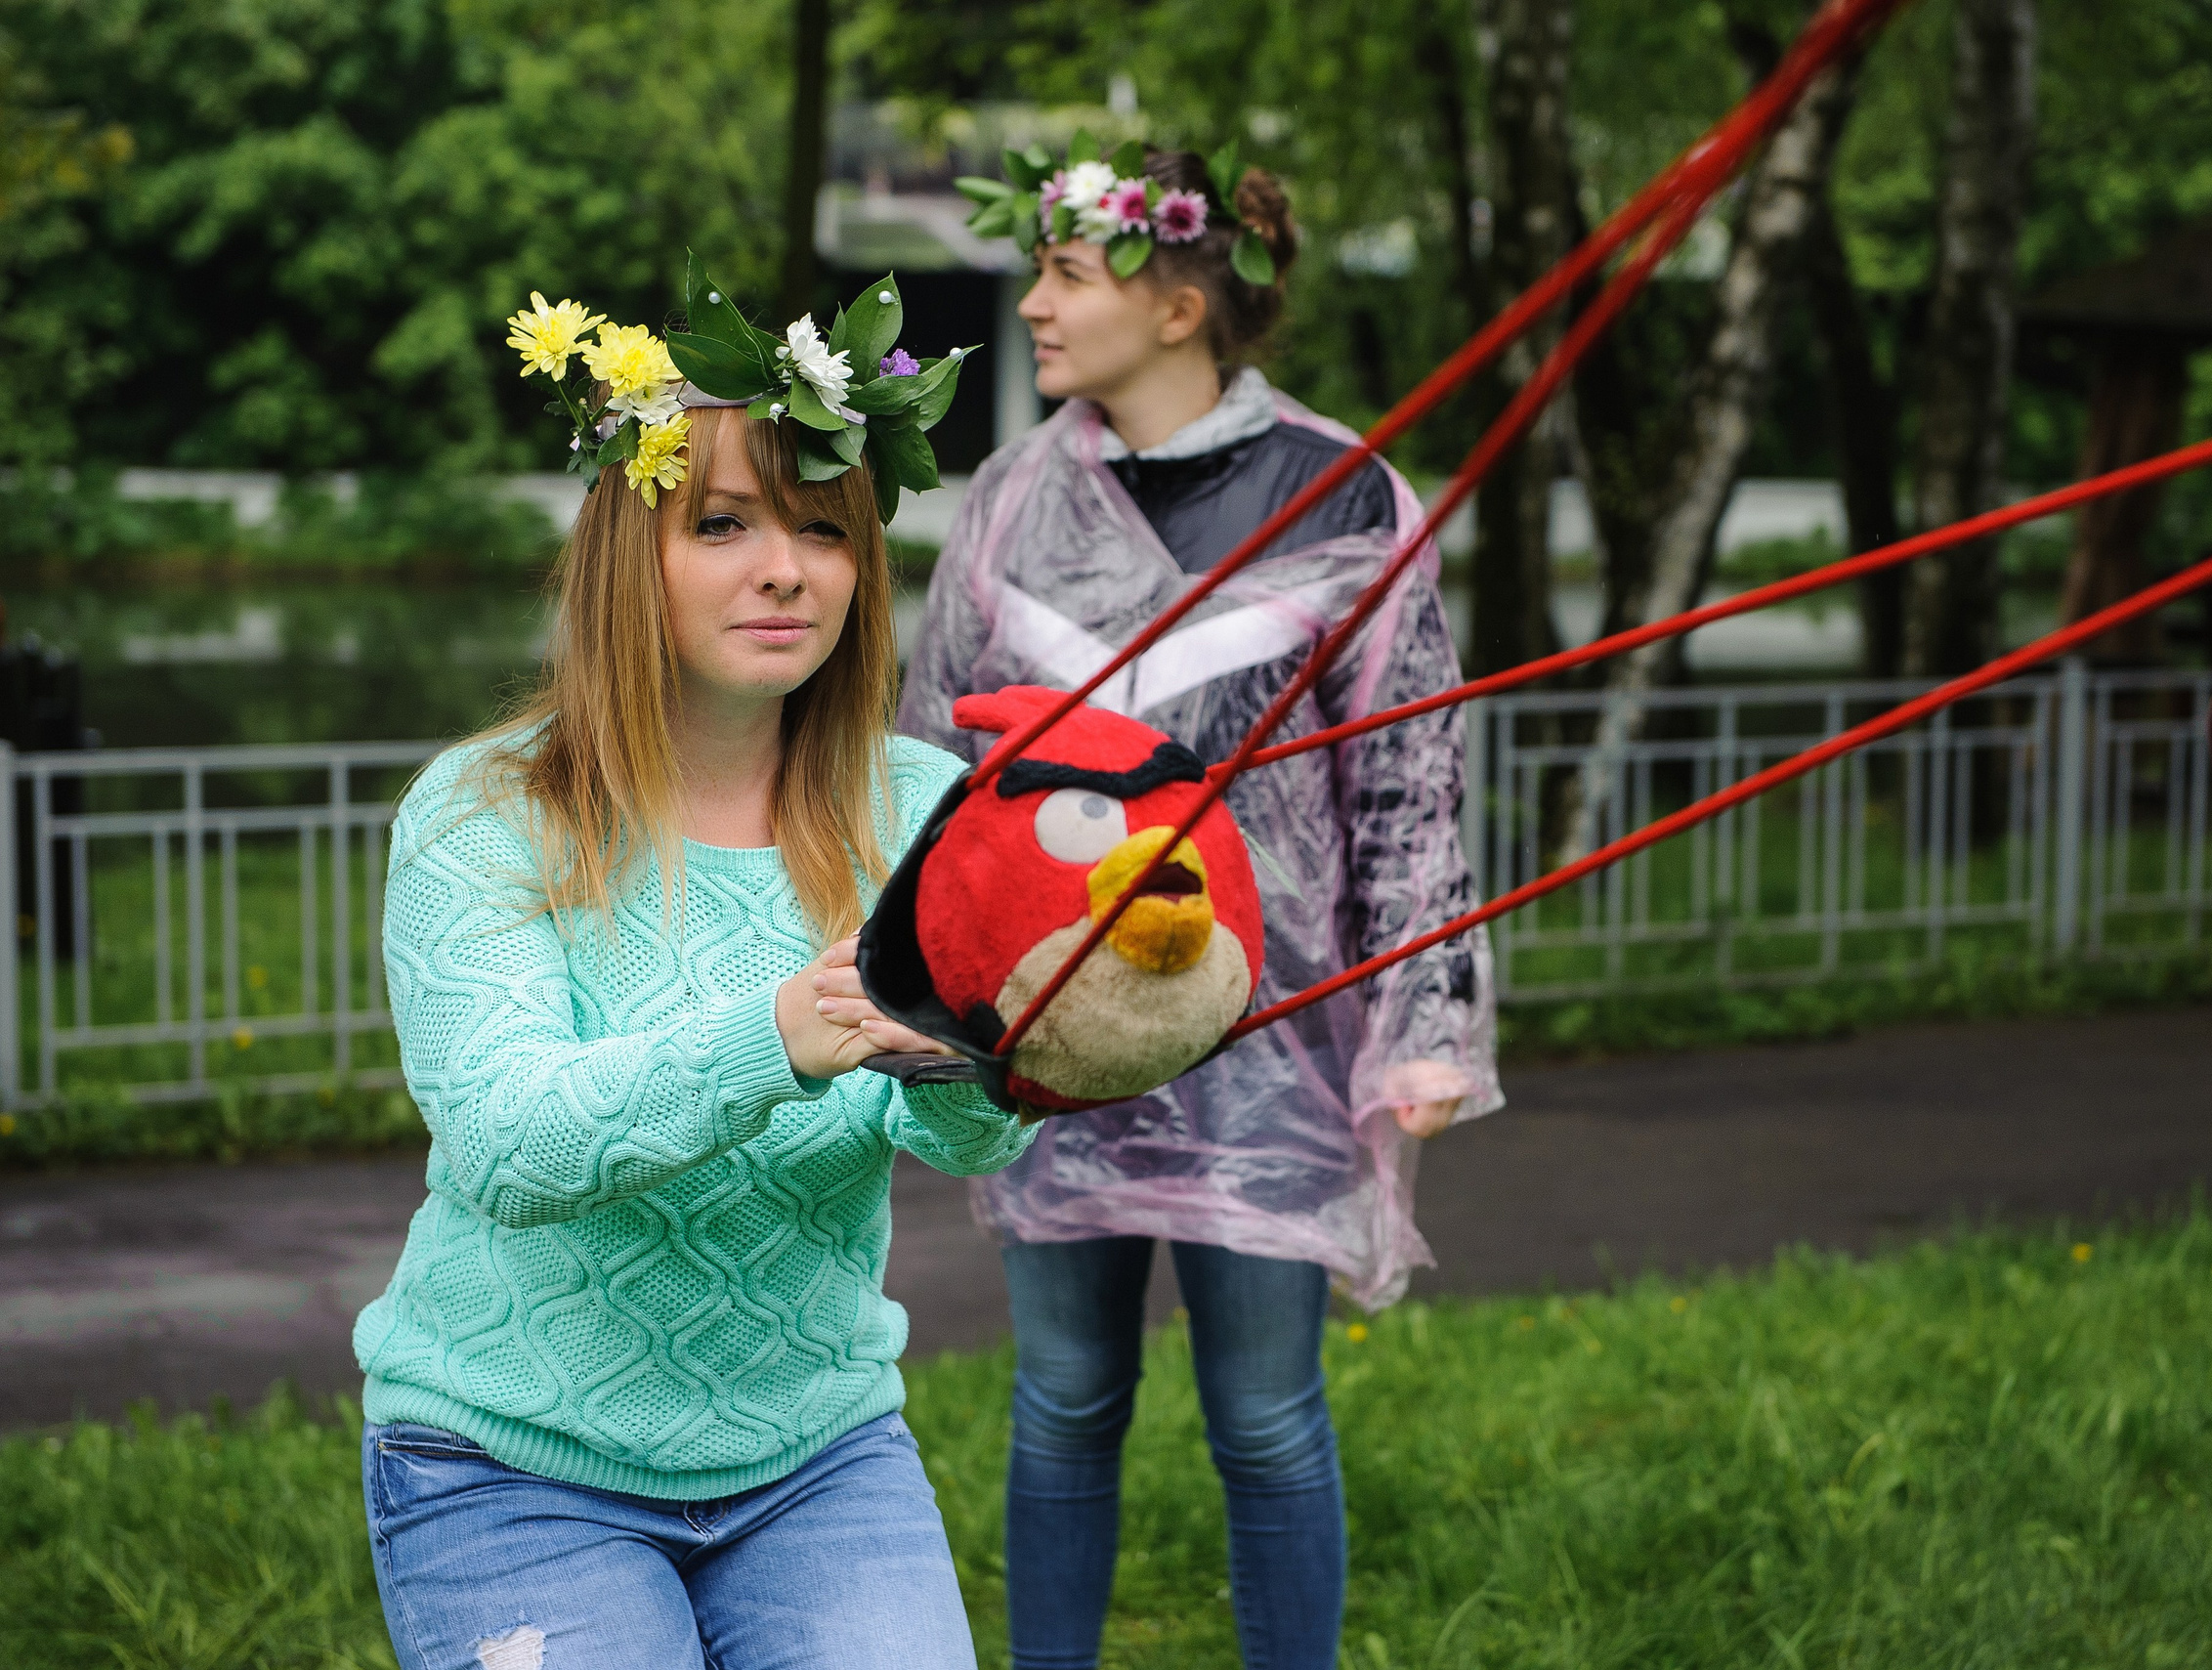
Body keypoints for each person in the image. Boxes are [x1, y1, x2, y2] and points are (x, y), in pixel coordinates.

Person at [356, 277, 1022, 1669]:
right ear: (627, 555)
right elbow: (506, 1139)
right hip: (511, 1460)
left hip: (817, 1452)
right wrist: (782, 1029)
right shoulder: (484, 811)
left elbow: (961, 1132)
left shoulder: (926, 808)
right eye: (721, 524)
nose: (784, 568)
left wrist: (993, 1051)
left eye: (822, 530)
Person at [911, 141, 1501, 1669]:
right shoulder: (1005, 503)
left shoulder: (1348, 496)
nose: (1032, 302)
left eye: (1065, 272)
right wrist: (916, 982)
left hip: (1275, 1031)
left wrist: (1426, 1021)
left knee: (1266, 1416)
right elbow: (930, 770)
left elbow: (1412, 780)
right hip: (1046, 1025)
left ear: (1179, 303)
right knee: (1061, 1400)